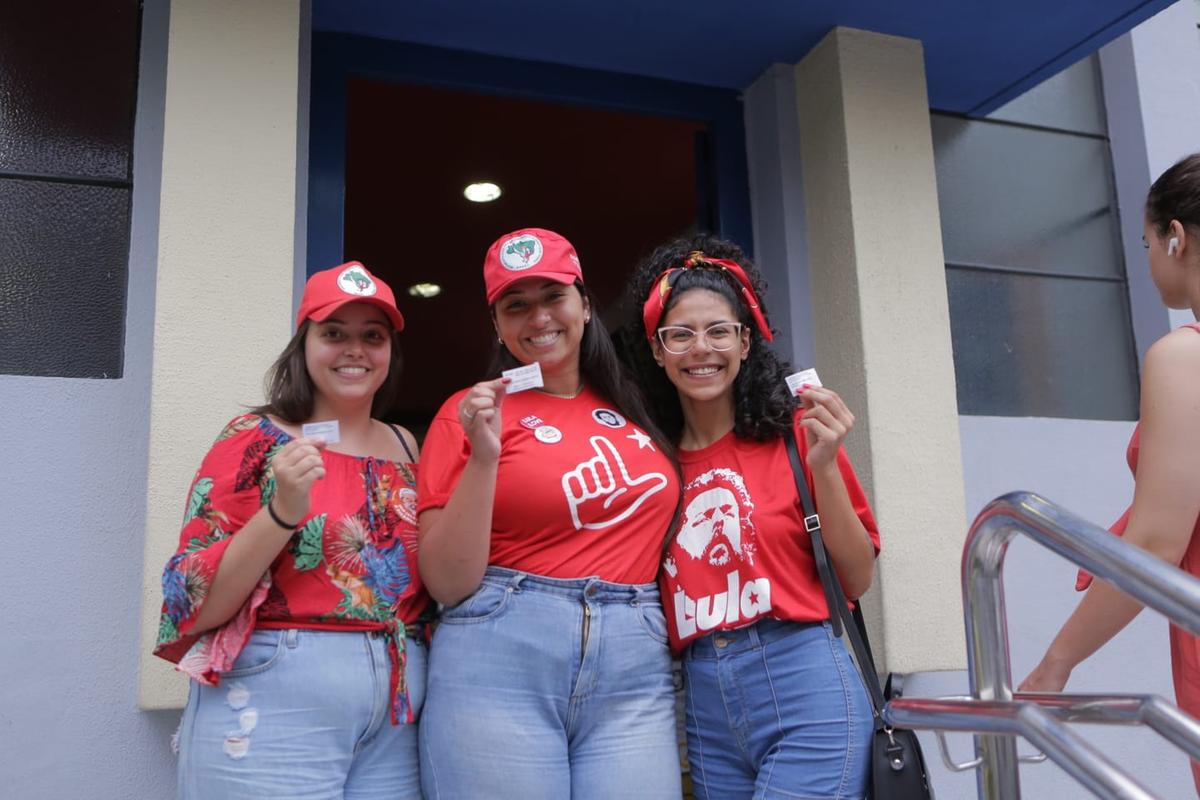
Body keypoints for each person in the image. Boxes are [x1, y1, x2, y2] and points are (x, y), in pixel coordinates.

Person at [416, 228, 683, 799]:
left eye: (553, 297)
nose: (538, 318)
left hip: (633, 664)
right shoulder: (466, 415)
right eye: (517, 305)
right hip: (500, 658)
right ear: (496, 324)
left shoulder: (635, 407)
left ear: (584, 305)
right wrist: (484, 457)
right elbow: (445, 580)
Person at [154, 262, 429, 799]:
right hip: (277, 690)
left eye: (372, 336)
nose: (355, 349)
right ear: (303, 344)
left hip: (397, 705)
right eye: (334, 334)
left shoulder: (406, 446)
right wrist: (282, 511)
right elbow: (189, 601)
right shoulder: (254, 438)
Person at [622, 235, 881, 799]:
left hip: (804, 673)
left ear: (745, 341)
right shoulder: (647, 461)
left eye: (719, 330)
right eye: (680, 334)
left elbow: (857, 578)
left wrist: (827, 467)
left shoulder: (796, 435)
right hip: (702, 698)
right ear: (658, 350)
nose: (701, 349)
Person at [1020, 153, 1200, 790]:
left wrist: (1053, 666)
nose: (1149, 258)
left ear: (1175, 237)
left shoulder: (1186, 356)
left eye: (1148, 240)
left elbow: (1155, 543)